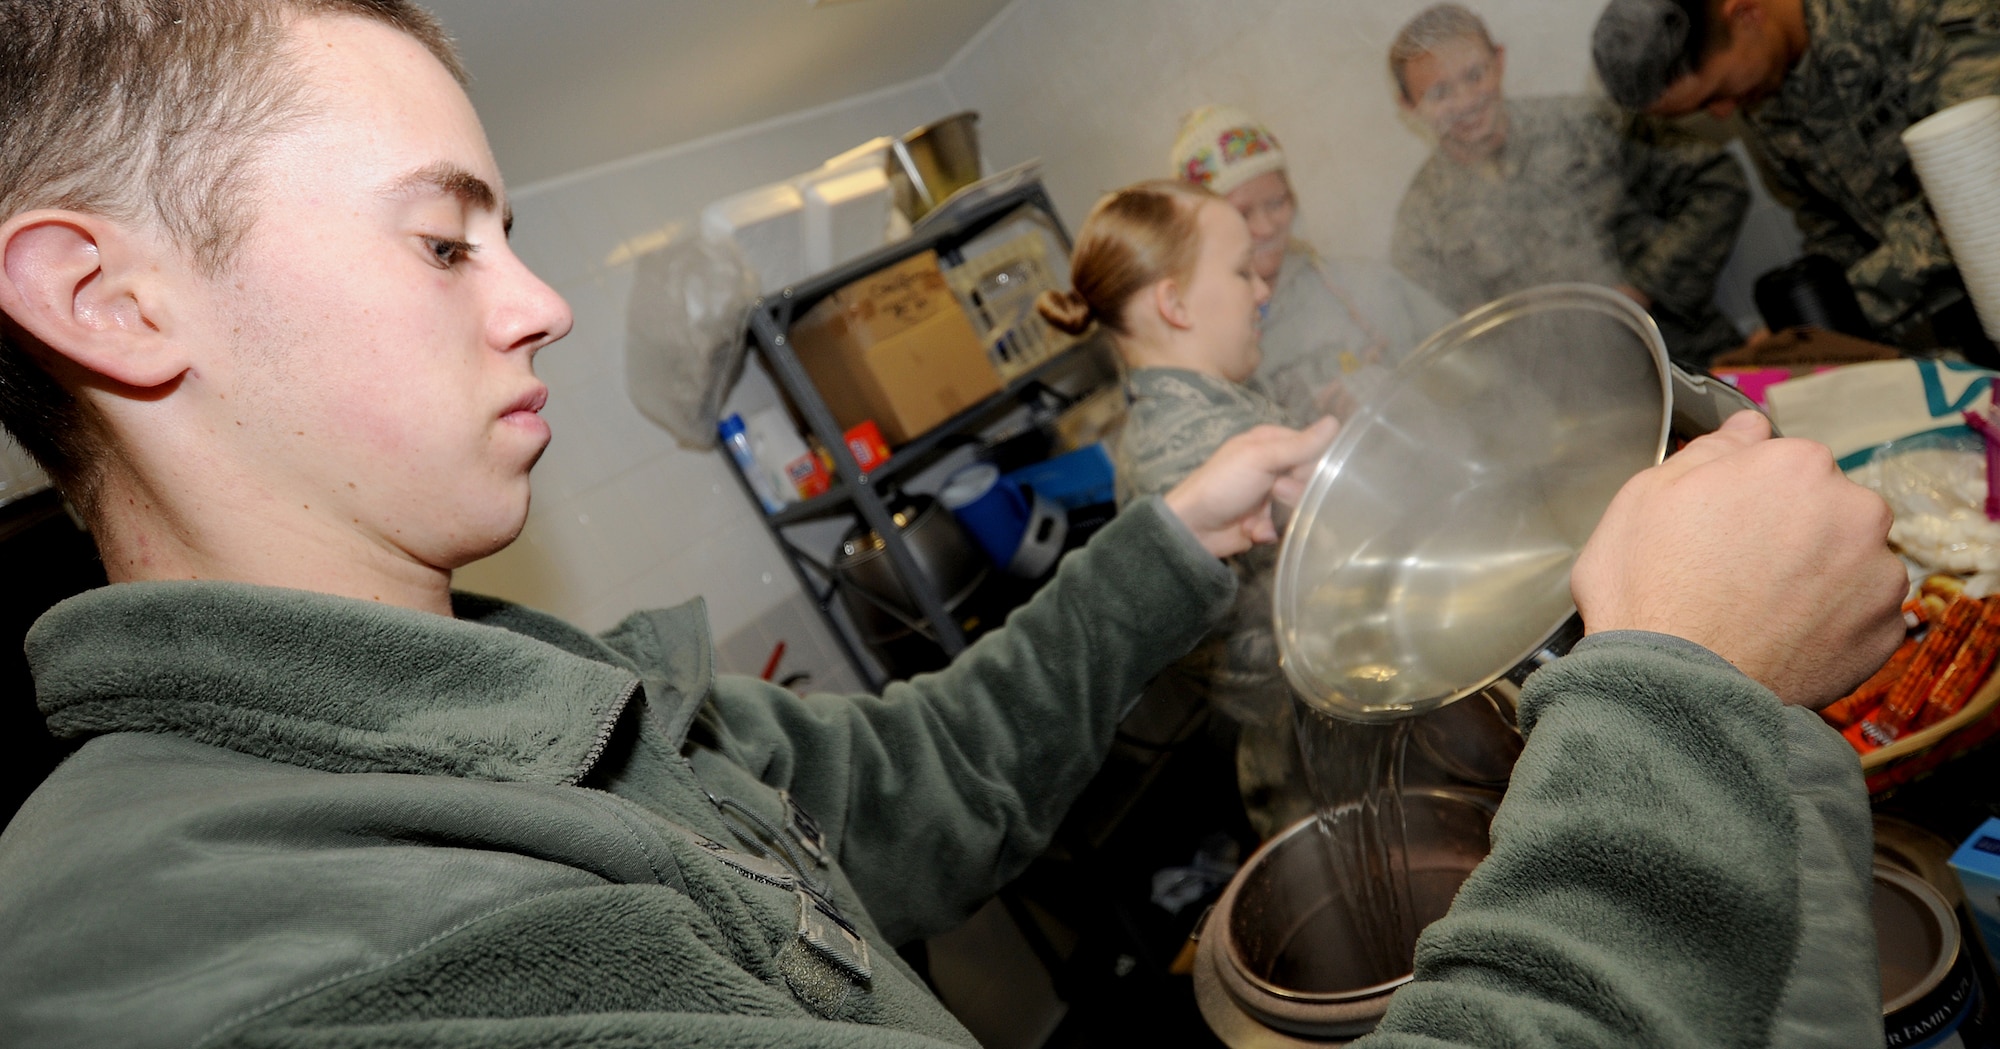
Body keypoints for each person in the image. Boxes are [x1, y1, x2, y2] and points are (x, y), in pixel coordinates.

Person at [0, 3, 1905, 1048]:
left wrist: (1174, 544)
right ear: (112, 301)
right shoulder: (279, 957)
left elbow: (902, 788)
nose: (540, 300)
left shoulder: (512, 685)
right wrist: (1673, 704)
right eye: (442, 237)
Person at [1038, 180, 1330, 840]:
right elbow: (1320, 626)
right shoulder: (1192, 452)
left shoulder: (1212, 408)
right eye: (1239, 270)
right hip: (1332, 771)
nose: (1261, 290)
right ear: (1173, 303)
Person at [1591, 0, 2000, 357]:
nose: (1722, 113)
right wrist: (1797, 321)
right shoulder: (1766, 87)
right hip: (1962, 320)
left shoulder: (1916, 11)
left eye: (1717, 93)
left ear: (1746, 15)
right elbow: (1830, 224)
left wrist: (1820, 320)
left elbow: (1981, 196)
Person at [1389, 2, 1752, 367]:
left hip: (1688, 358)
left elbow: (1718, 182)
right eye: (1439, 94)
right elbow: (1453, 346)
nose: (1466, 102)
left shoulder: (1585, 126)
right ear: (1408, 104)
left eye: (1474, 75)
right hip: (1568, 407)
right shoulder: (1421, 226)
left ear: (1499, 61)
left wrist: (1644, 286)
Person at [1169, 105, 1456, 425]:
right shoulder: (1209, 352)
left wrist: (1402, 395)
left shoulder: (1365, 287)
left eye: (1276, 203)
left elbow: (1468, 369)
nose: (1265, 227)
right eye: (1242, 214)